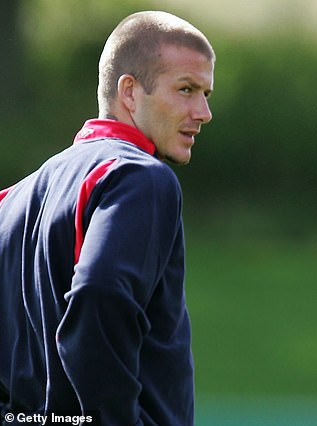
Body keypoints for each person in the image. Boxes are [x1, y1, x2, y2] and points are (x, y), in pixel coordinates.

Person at [0, 11, 214, 425]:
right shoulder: (139, 176)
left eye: (206, 93)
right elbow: (101, 292)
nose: (203, 111)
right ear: (130, 92)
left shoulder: (13, 198)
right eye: (186, 89)